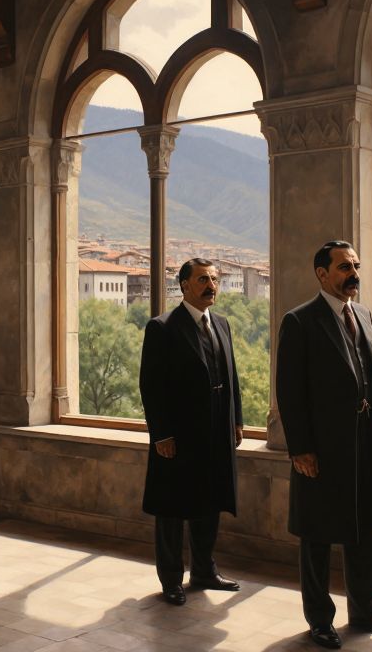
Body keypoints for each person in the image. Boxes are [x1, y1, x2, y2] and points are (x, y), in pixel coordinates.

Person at [276, 241, 372, 649]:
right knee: (317, 536)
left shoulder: (363, 314)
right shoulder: (299, 322)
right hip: (322, 450)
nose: (353, 273)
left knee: (366, 530)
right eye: (344, 267)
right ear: (322, 274)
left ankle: (367, 610)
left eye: (356, 266)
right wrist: (300, 449)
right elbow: (289, 391)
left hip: (366, 446)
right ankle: (319, 620)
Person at [140, 258, 244, 606]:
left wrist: (237, 421)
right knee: (172, 509)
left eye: (214, 279)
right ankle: (171, 578)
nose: (211, 285)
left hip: (216, 432)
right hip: (179, 437)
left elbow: (232, 378)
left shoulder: (223, 324)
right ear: (184, 285)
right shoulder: (163, 327)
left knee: (210, 502)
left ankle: (204, 571)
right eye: (202, 279)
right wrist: (162, 435)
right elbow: (151, 386)